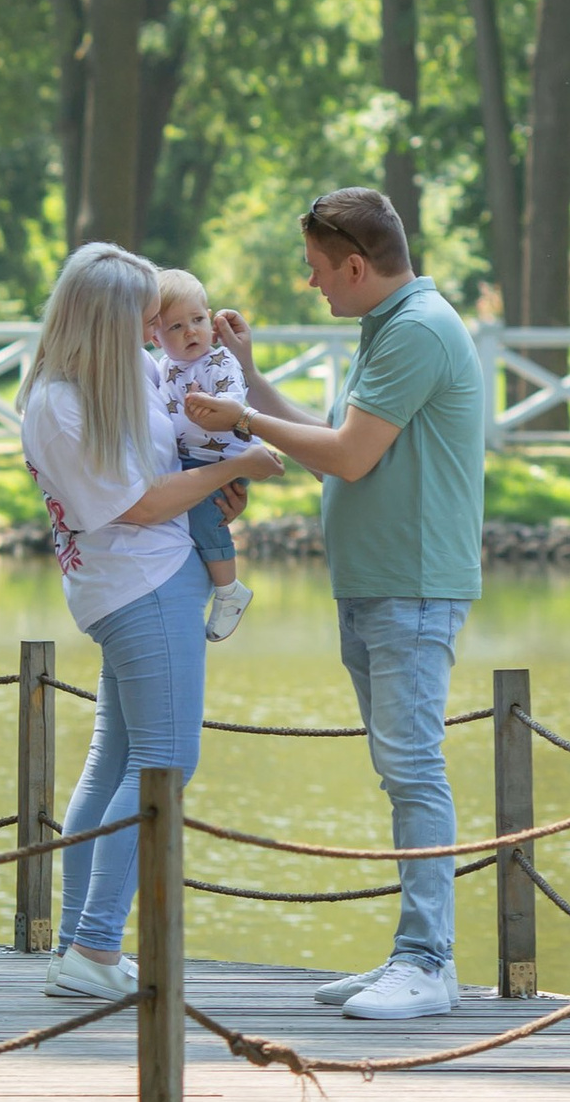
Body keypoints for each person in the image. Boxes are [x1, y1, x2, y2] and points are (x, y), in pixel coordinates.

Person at [188, 185, 485, 1023]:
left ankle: (427, 963)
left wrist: (242, 413)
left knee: (414, 769)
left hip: (413, 587)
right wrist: (248, 380)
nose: (313, 285)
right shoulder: (388, 327)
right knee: (400, 770)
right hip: (376, 583)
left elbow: (349, 457)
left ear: (357, 264)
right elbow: (333, 448)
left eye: (319, 271)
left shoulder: (418, 330)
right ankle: (411, 955)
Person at [19, 241, 281, 999]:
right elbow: (132, 506)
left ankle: (80, 944)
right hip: (141, 587)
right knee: (166, 763)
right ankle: (95, 947)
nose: (153, 328)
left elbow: (165, 470)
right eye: (141, 317)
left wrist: (216, 484)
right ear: (105, 320)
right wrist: (237, 467)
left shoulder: (126, 372)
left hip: (146, 576)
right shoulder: (60, 404)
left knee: (115, 764)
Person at [148, 266, 261, 643]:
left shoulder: (218, 362)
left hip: (221, 458)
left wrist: (212, 407)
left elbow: (234, 403)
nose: (191, 332)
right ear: (155, 335)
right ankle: (214, 580)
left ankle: (229, 591)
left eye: (197, 320)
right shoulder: (163, 368)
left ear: (211, 322)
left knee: (201, 516)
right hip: (191, 459)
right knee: (186, 513)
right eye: (176, 327)